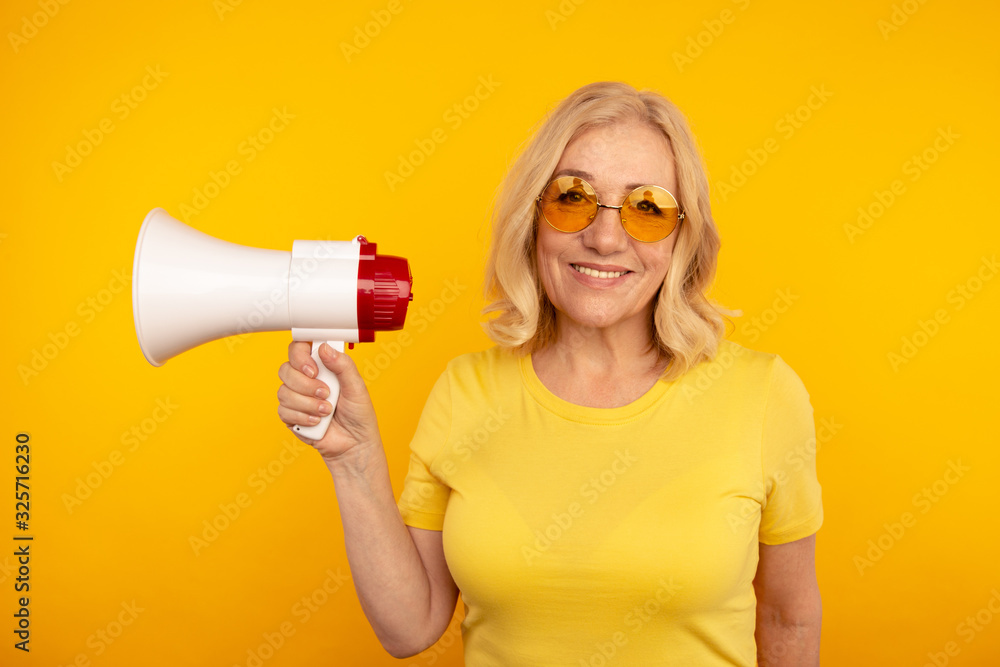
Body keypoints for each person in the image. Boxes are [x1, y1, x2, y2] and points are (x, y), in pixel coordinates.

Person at [276, 81, 823, 666]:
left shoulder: (763, 396)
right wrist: (352, 458)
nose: (605, 237)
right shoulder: (466, 392)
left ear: (682, 238)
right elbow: (409, 628)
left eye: (647, 207)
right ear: (532, 217)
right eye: (572, 197)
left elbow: (787, 618)